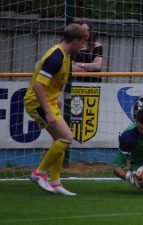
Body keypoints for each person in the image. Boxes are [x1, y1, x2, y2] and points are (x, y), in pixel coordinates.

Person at [24, 23, 89, 195]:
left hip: (48, 102)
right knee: (67, 137)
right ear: (75, 41)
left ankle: (55, 182)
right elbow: (38, 86)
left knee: (59, 140)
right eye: (83, 42)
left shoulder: (67, 56)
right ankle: (39, 173)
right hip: (36, 102)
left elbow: (52, 84)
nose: (84, 46)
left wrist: (55, 100)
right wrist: (47, 111)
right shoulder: (56, 57)